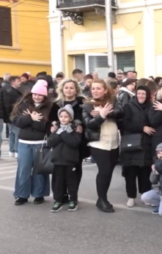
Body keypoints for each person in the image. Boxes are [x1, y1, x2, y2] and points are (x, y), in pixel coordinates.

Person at [82, 79, 123, 213]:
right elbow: (89, 124)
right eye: (93, 88)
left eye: (98, 88)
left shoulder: (113, 101)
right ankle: (102, 199)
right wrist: (101, 116)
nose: (95, 91)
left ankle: (102, 198)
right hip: (98, 142)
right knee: (104, 171)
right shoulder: (87, 105)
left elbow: (120, 112)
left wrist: (106, 112)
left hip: (114, 141)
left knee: (109, 171)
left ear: (105, 90)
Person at [12, 80, 54, 205]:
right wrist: (31, 117)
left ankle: (39, 194)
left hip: (40, 142)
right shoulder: (23, 104)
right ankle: (22, 195)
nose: (37, 96)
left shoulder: (50, 107)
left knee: (39, 169)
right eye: (35, 94)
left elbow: (44, 128)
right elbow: (17, 122)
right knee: (23, 169)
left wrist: (31, 121)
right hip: (23, 142)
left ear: (45, 95)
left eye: (40, 94)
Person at [52, 79, 88, 204]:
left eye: (71, 88)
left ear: (76, 89)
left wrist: (81, 126)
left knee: (74, 172)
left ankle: (72, 195)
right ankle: (61, 196)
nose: (68, 90)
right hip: (59, 145)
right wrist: (53, 129)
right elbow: (51, 123)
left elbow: (86, 120)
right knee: (59, 173)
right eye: (66, 87)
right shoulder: (56, 104)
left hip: (76, 143)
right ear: (62, 89)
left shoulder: (82, 103)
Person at [120, 86, 154, 207]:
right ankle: (131, 196)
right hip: (131, 144)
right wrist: (142, 127)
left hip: (146, 144)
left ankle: (145, 196)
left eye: (143, 94)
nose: (140, 96)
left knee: (145, 172)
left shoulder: (151, 106)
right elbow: (125, 123)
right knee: (130, 172)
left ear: (148, 95)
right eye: (139, 93)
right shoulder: (129, 106)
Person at [48, 105, 82, 212]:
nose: (63, 119)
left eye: (66, 116)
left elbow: (74, 143)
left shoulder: (74, 130)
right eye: (61, 116)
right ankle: (58, 200)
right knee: (58, 182)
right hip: (58, 161)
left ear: (70, 118)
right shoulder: (55, 129)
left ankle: (73, 200)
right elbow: (50, 142)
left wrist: (62, 133)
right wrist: (58, 133)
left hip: (70, 161)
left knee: (71, 181)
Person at [142, 142, 162, 216]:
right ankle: (160, 205)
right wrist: (154, 171)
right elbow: (152, 181)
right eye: (158, 152)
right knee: (145, 197)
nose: (159, 154)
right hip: (159, 191)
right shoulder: (157, 162)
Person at [2, 76, 22, 158]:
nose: (20, 82)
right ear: (13, 82)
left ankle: (12, 150)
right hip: (13, 116)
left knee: (12, 133)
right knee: (17, 133)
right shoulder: (10, 92)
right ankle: (16, 150)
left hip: (12, 116)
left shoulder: (14, 91)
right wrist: (9, 116)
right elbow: (7, 105)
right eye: (18, 81)